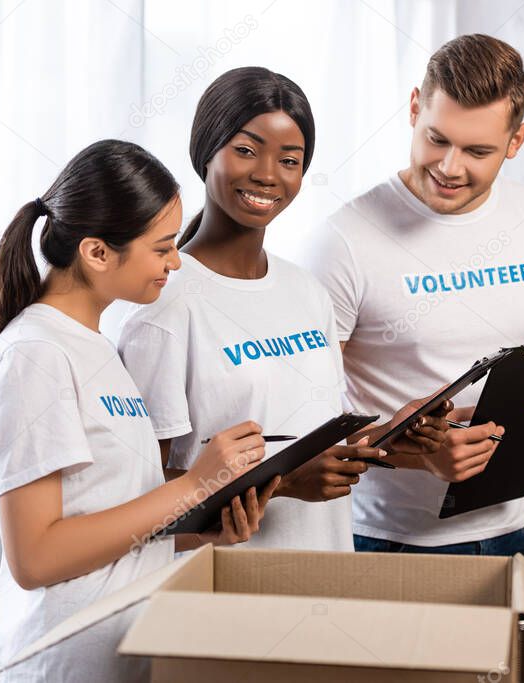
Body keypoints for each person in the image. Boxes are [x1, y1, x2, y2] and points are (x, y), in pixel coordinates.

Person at [0, 140, 277, 682]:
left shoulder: (94, 346)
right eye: (162, 248)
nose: (175, 262)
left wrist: (203, 529)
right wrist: (194, 486)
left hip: (125, 654)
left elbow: (106, 516)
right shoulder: (35, 355)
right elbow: (36, 557)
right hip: (64, 665)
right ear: (97, 252)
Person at [118, 67, 457, 553]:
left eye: (290, 159)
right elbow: (139, 497)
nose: (268, 174)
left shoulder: (307, 292)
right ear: (204, 151)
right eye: (246, 150)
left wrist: (391, 435)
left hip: (325, 575)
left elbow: (314, 442)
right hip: (222, 593)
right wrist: (287, 482)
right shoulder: (164, 305)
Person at [306, 35, 524, 572]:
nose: (449, 166)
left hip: (515, 535)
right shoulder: (344, 242)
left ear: (517, 140)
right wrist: (416, 451)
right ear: (415, 106)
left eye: (477, 151)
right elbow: (308, 423)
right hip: (384, 543)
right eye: (436, 139)